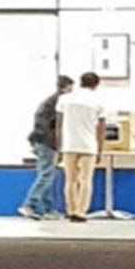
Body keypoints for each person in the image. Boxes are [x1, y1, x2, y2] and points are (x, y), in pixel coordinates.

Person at [18, 75, 74, 220]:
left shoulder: (50, 101)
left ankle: (48, 209)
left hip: (40, 140)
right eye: (71, 88)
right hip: (46, 142)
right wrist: (58, 145)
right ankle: (29, 204)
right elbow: (55, 126)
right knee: (46, 175)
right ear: (66, 87)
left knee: (48, 175)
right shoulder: (59, 102)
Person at [56, 71, 106, 223]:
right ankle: (81, 211)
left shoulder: (65, 99)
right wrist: (100, 150)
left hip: (69, 144)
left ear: (80, 82)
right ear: (96, 84)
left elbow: (59, 125)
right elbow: (101, 129)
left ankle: (71, 210)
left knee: (70, 180)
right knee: (85, 180)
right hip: (89, 145)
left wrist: (59, 147)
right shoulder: (99, 101)